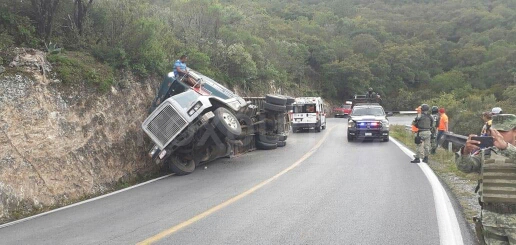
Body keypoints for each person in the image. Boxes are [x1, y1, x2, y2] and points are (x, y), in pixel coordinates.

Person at [455, 114, 516, 244]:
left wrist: (506, 148)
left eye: (502, 131)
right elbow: (465, 167)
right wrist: (465, 152)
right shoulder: (486, 153)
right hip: (491, 220)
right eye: (494, 131)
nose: (497, 135)